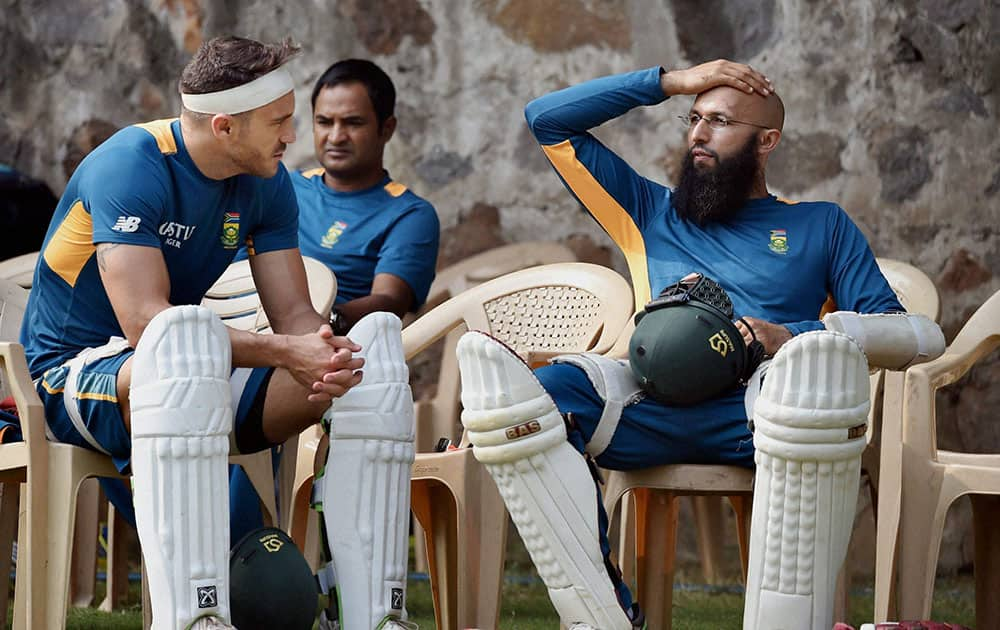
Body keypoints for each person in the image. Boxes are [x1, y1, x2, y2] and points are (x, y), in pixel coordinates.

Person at [452, 60, 942, 630]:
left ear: (767, 142)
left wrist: (794, 337)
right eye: (694, 118)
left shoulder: (819, 225)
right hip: (649, 409)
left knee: (812, 385)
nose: (698, 135)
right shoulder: (648, 211)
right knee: (536, 400)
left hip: (767, 419)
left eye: (720, 122)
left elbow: (918, 336)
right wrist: (670, 81)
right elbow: (547, 121)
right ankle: (602, 616)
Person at [20, 36, 416, 630]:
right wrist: (288, 351)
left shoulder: (268, 180)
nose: (292, 137)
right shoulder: (130, 163)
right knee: (179, 348)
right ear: (227, 126)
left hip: (184, 374)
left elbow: (296, 320)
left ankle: (377, 615)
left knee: (372, 362)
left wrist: (326, 354)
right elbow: (146, 325)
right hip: (71, 372)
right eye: (280, 122)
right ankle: (196, 619)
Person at [228, 58, 439, 545]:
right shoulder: (280, 186)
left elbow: (390, 300)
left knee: (260, 404)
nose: (336, 136)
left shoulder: (408, 212)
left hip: (334, 356)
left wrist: (323, 320)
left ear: (387, 128)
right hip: (242, 335)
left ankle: (246, 556)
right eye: (324, 122)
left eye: (353, 122)